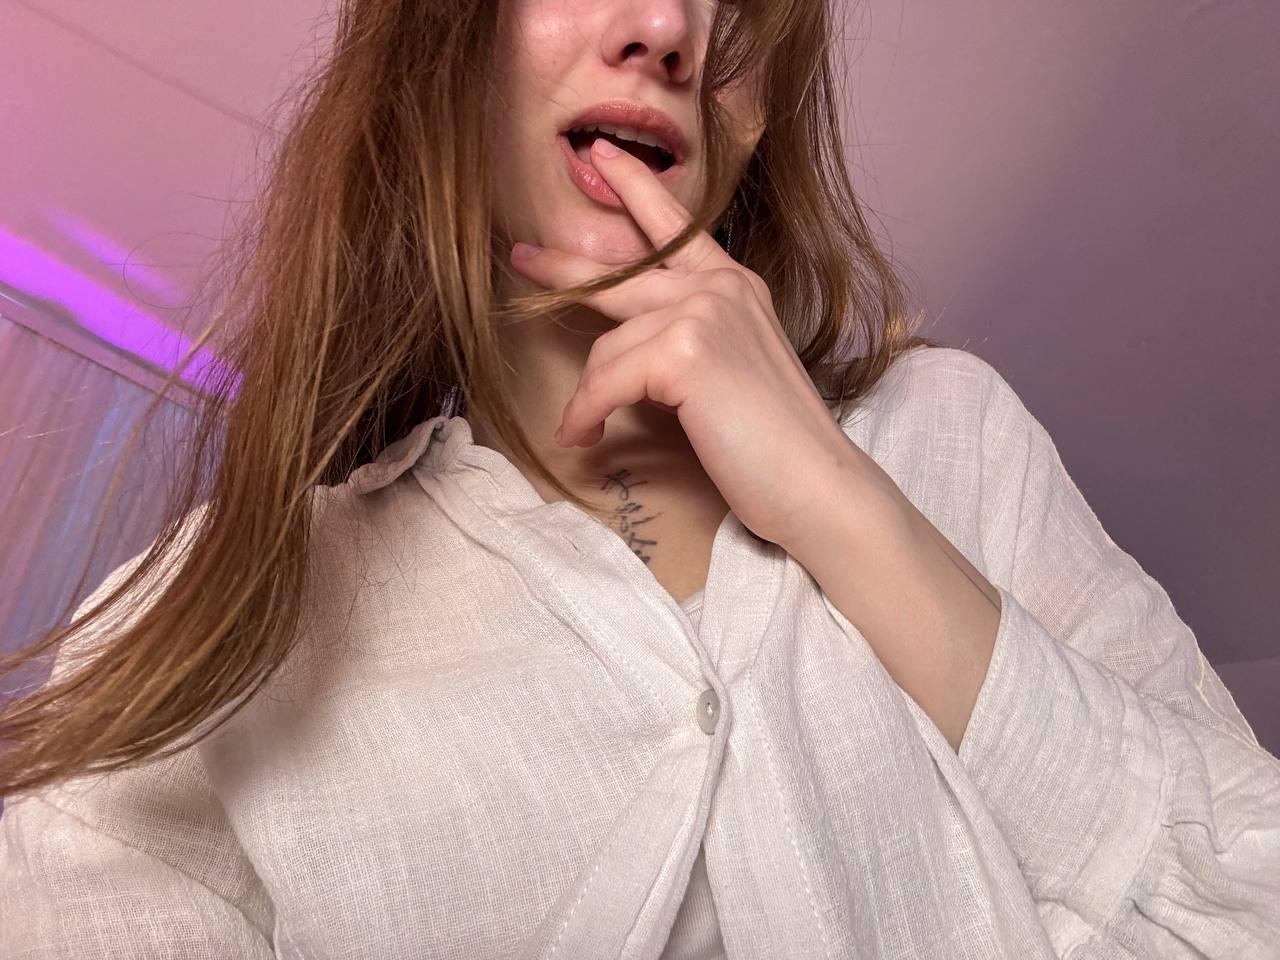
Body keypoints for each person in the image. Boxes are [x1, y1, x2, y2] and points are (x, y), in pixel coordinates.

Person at [2, 1, 1278, 957]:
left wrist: (838, 500)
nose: (671, 29)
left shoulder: (955, 439)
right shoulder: (189, 631)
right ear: (442, 41)